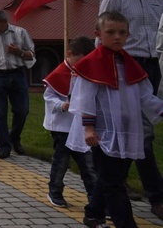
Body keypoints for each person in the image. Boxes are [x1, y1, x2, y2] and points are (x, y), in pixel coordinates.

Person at [67, 11, 163, 228]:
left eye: (122, 32)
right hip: (102, 133)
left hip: (128, 131)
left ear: (128, 34)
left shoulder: (130, 64)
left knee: (111, 177)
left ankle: (93, 214)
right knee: (113, 183)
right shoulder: (91, 63)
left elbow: (146, 97)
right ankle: (125, 224)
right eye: (110, 32)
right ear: (98, 34)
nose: (117, 37)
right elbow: (85, 98)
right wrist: (89, 128)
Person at [102, 0, 163, 218]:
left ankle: (113, 181)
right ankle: (157, 196)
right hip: (126, 65)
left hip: (153, 65)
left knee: (136, 131)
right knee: (143, 134)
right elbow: (103, 36)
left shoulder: (156, 1)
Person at [42, 36, 105, 226]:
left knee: (88, 164)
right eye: (80, 60)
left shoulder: (86, 73)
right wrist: (63, 105)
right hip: (62, 127)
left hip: (80, 127)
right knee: (61, 161)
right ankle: (55, 190)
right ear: (69, 55)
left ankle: (95, 200)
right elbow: (48, 97)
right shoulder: (58, 73)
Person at [0, 9, 35, 159]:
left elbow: (32, 54)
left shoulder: (20, 32)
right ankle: (4, 147)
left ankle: (14, 137)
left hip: (17, 74)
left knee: (22, 111)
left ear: (4, 22)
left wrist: (19, 52)